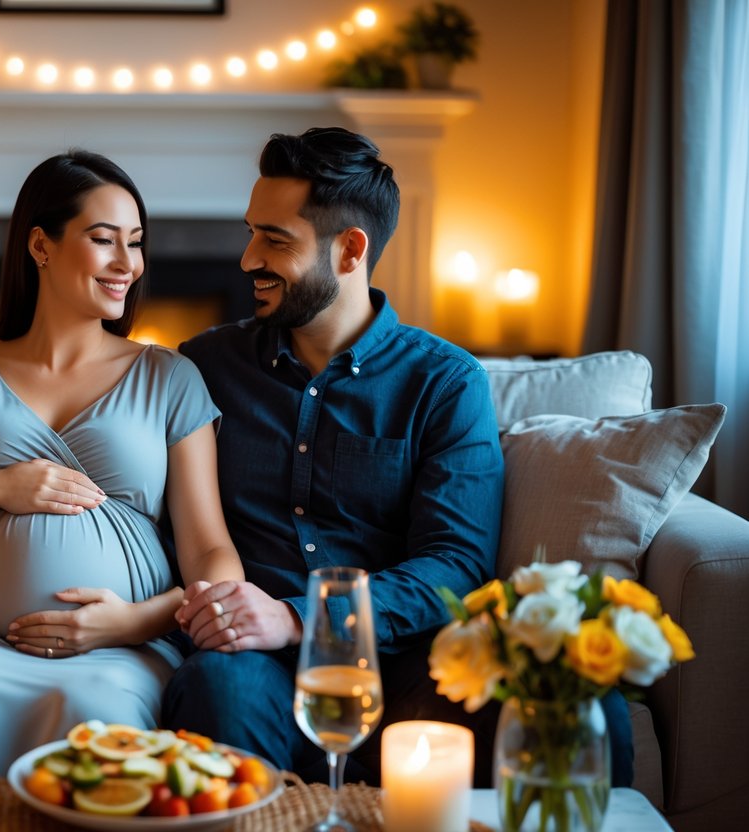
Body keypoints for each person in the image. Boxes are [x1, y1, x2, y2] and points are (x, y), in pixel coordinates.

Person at [161, 126, 633, 788]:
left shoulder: (443, 381)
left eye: (274, 239)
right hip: (251, 664)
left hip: (407, 661)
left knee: (584, 705)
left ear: (349, 250)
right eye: (250, 232)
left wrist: (297, 616)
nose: (246, 259)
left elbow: (454, 565)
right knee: (218, 691)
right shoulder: (205, 367)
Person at [0, 150, 244, 779]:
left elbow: (210, 550)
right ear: (40, 246)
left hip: (118, 648)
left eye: (136, 243)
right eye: (104, 240)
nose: (128, 264)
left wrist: (134, 622)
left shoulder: (170, 378)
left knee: (98, 708)